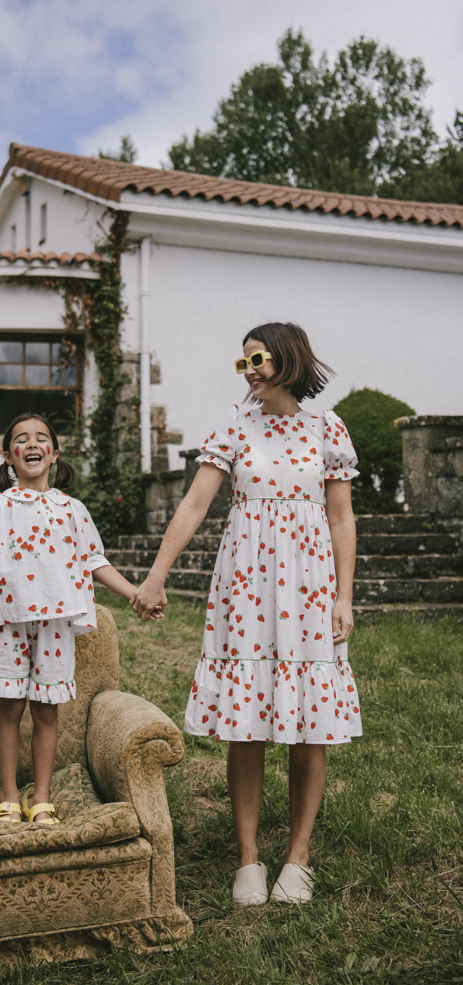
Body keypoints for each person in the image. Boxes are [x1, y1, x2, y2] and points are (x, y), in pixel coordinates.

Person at [130, 322, 361, 905]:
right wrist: (156, 574)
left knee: (311, 722)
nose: (250, 370)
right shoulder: (234, 427)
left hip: (310, 587)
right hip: (248, 585)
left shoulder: (327, 428)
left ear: (288, 358)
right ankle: (249, 860)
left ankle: (299, 858)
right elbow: (195, 504)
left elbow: (340, 519)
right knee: (246, 721)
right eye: (243, 363)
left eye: (257, 359)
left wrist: (344, 595)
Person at [0, 412, 162, 827]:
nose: (32, 443)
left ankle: (41, 799)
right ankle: (8, 797)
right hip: (8, 621)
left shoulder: (71, 509)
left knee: (47, 711)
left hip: (55, 625)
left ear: (54, 454)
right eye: (21, 439)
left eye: (42, 438)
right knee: (10, 706)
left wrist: (135, 594)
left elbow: (94, 561)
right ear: (8, 457)